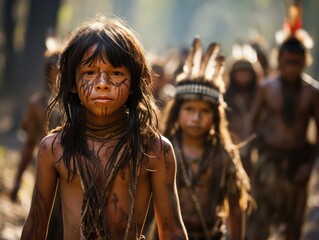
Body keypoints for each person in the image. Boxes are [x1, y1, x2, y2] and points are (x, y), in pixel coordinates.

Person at [20, 15, 188, 240]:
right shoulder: (54, 148)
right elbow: (35, 227)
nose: (102, 83)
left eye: (116, 73)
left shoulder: (154, 150)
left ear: (133, 85)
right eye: (89, 73)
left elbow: (172, 231)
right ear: (71, 83)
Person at [151, 37, 251, 240]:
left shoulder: (223, 155)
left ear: (215, 116)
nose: (196, 117)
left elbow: (235, 207)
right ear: (177, 112)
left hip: (211, 235)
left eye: (204, 111)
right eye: (189, 109)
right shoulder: (162, 151)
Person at [246, 34, 319, 240]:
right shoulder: (266, 88)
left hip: (298, 163)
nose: (291, 69)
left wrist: (309, 166)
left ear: (305, 62)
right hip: (268, 160)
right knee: (260, 220)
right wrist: (252, 155)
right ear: (279, 60)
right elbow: (253, 123)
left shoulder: (312, 92)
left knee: (294, 225)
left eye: (296, 63)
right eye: (287, 63)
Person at [224, 44, 264, 176]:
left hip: (256, 148)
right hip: (231, 147)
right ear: (232, 75)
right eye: (239, 73)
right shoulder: (226, 96)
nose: (243, 76)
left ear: (253, 74)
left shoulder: (261, 95)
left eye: (246, 73)